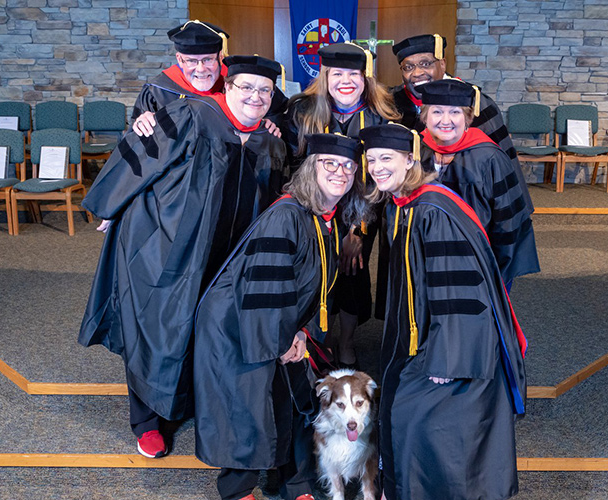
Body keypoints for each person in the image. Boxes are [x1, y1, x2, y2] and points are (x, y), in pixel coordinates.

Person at [78, 55, 287, 459]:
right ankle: (147, 421)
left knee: (201, 326)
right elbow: (141, 154)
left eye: (264, 90)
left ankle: (180, 401)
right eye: (245, 86)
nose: (254, 96)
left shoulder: (270, 142)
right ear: (227, 86)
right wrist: (109, 206)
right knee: (156, 325)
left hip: (224, 257)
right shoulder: (191, 114)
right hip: (166, 246)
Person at [193, 133, 368, 500]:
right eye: (330, 164)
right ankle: (238, 490)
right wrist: (282, 337)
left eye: (348, 167)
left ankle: (295, 485)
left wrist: (302, 331)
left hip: (278, 325)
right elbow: (265, 284)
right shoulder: (286, 215)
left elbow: (314, 291)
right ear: (310, 169)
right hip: (240, 325)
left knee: (290, 400)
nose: (340, 171)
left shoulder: (324, 218)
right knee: (249, 406)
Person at [360, 123, 527, 500]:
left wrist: (449, 361)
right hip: (425, 339)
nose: (377, 167)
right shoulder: (405, 204)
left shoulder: (432, 210)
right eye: (371, 160)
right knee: (404, 415)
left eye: (387, 158)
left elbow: (459, 292)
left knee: (422, 421)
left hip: (455, 351)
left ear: (410, 160)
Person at [283, 42, 400, 367]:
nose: (345, 81)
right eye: (338, 74)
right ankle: (319, 337)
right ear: (326, 75)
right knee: (313, 271)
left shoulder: (380, 116)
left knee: (352, 272)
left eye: (354, 74)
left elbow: (381, 180)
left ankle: (346, 341)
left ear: (366, 78)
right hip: (313, 209)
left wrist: (358, 233)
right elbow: (290, 162)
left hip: (361, 212)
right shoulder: (303, 110)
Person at [418, 78, 540, 287]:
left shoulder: (489, 157)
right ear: (425, 117)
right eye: (437, 112)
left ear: (467, 117)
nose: (445, 120)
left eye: (455, 112)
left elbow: (507, 222)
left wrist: (496, 271)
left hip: (478, 264)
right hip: (428, 260)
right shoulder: (416, 152)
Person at [390, 33, 531, 209]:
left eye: (425, 64)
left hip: (469, 204)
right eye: (408, 67)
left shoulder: (474, 103)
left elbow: (501, 165)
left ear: (442, 64)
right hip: (409, 206)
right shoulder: (393, 103)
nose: (417, 73)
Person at [131, 20, 286, 137]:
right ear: (179, 59)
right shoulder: (158, 91)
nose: (201, 69)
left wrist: (271, 123)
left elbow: (278, 111)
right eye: (191, 61)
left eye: (208, 60)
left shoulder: (240, 81)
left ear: (220, 56)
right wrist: (140, 123)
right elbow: (137, 141)